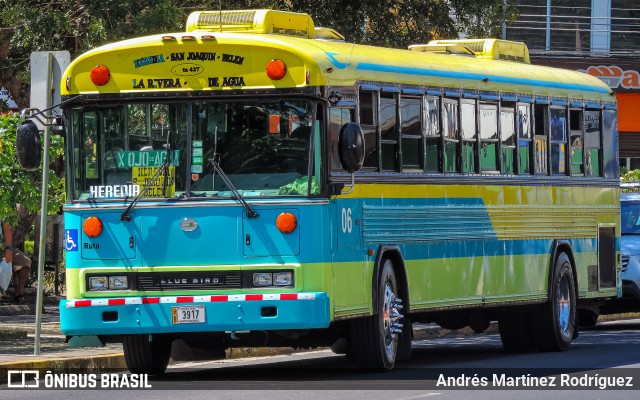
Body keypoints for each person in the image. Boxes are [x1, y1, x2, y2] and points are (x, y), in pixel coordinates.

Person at [1, 221, 32, 303]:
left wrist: (8, 250)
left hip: (3, 249)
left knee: (25, 261)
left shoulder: (4, 215)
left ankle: (19, 292)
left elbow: (7, 232)